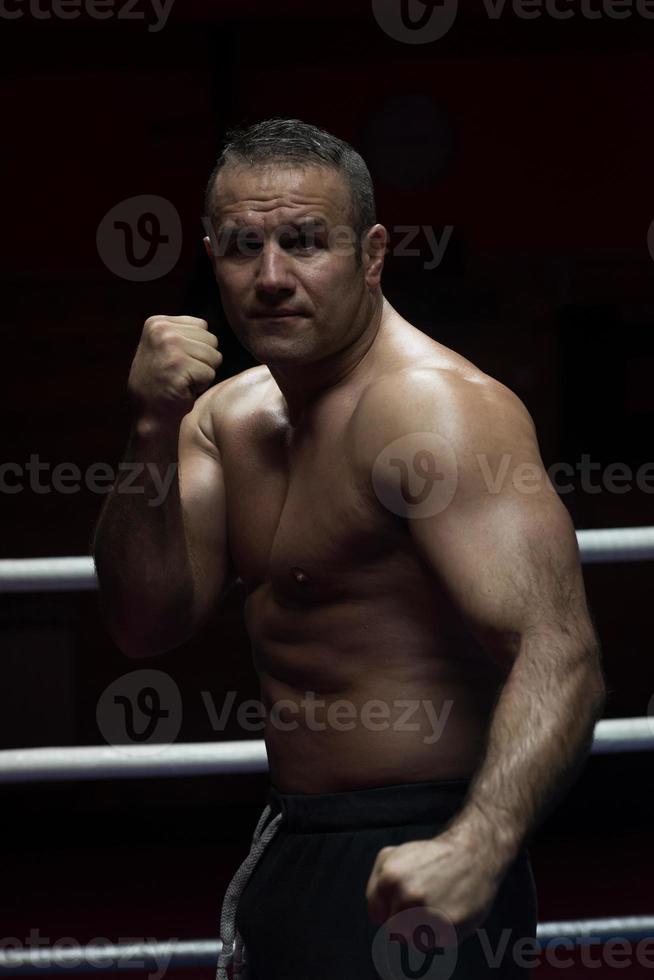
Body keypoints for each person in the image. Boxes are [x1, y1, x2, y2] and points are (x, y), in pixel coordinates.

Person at [92, 118, 606, 979]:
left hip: (427, 843)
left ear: (372, 254)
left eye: (303, 242)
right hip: (295, 837)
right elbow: (143, 625)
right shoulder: (221, 418)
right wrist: (150, 427)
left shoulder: (435, 411)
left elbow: (562, 652)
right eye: (242, 247)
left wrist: (478, 844)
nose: (271, 278)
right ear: (210, 254)